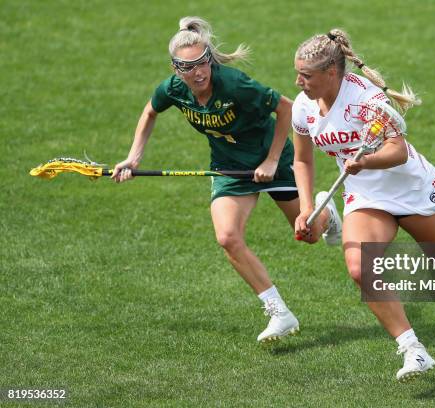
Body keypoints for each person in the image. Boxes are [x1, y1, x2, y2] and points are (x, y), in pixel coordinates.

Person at [111, 16, 342, 343]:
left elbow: (286, 108)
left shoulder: (235, 85)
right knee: (227, 237)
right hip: (229, 168)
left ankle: (327, 212)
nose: (199, 71)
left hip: (272, 162)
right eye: (189, 67)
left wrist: (273, 159)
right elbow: (150, 111)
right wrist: (133, 158)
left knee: (309, 234)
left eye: (203, 62)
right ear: (176, 68)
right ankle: (279, 313)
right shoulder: (174, 90)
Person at [291, 29, 435, 381]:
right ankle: (413, 350)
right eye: (297, 73)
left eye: (306, 75)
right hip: (365, 195)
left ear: (331, 73)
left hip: (409, 188)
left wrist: (366, 163)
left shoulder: (367, 99)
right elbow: (302, 161)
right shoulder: (303, 108)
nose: (299, 82)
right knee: (360, 267)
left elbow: (398, 149)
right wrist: (304, 207)